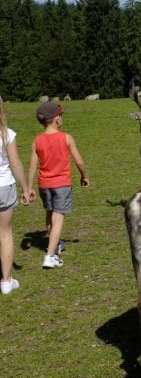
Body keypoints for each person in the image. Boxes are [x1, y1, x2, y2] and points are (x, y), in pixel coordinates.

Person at [28, 102, 89, 269]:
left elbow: (32, 166)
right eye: (60, 115)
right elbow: (79, 161)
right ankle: (50, 255)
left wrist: (28, 188)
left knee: (50, 214)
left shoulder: (37, 140)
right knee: (58, 217)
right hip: (61, 184)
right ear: (55, 119)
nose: (61, 117)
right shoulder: (66, 138)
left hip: (44, 184)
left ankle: (55, 244)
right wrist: (84, 176)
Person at [0, 96, 33, 294]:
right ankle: (6, 280)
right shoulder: (7, 135)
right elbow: (16, 164)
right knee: (5, 234)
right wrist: (26, 188)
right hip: (4, 186)